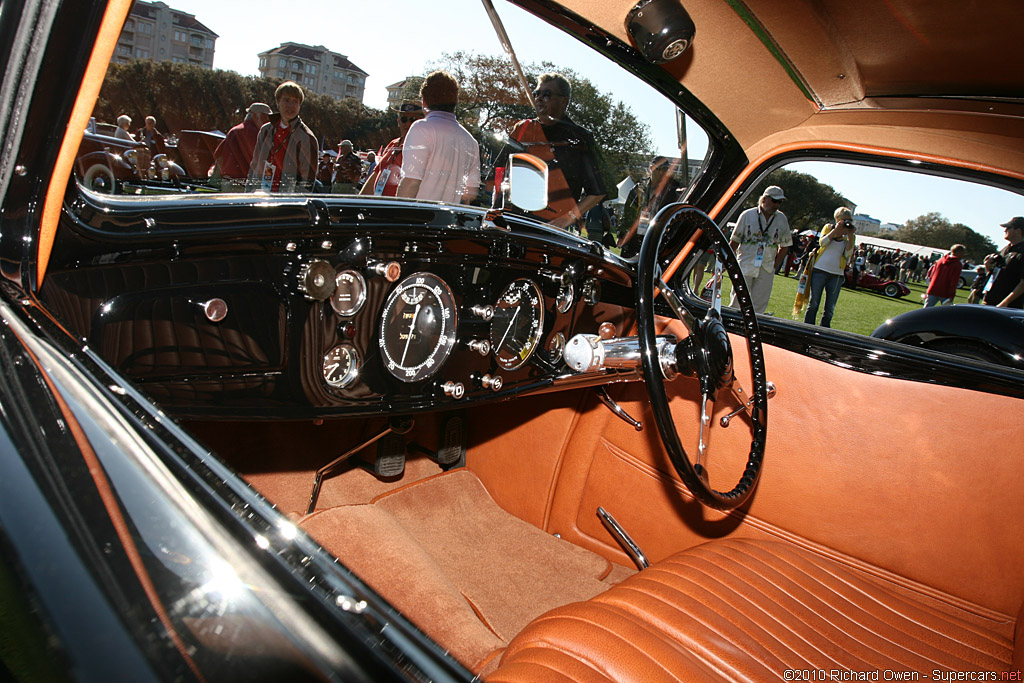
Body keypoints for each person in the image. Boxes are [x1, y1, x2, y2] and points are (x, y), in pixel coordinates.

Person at [500, 72, 606, 231]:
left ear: (564, 100)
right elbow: (498, 172)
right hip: (511, 223)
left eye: (547, 94)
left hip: (549, 231)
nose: (539, 98)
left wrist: (565, 219)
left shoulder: (580, 138)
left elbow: (598, 191)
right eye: (537, 93)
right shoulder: (521, 129)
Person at [397, 70, 480, 204]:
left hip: (417, 218)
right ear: (455, 101)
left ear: (424, 100)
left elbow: (411, 182)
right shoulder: (470, 141)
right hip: (448, 220)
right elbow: (470, 193)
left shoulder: (421, 128)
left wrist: (396, 216)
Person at [728, 185, 792, 314]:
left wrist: (774, 266)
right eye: (774, 201)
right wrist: (725, 264)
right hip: (745, 264)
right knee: (737, 302)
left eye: (780, 202)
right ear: (764, 199)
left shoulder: (781, 218)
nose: (777, 205)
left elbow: (785, 246)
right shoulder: (747, 215)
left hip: (766, 268)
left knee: (759, 307)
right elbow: (734, 241)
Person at [247, 81, 318, 193]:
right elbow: (254, 165)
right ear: (278, 102)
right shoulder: (266, 130)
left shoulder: (306, 137)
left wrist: (293, 206)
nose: (290, 106)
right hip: (260, 197)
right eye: (286, 100)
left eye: (295, 101)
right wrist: (249, 194)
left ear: (299, 106)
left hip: (285, 202)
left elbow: (307, 181)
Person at [796, 206, 856, 327]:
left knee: (830, 308)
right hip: (820, 270)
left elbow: (848, 254)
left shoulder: (850, 236)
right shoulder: (829, 228)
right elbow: (822, 243)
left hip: (837, 275)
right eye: (844, 220)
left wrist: (849, 236)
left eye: (849, 220)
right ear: (837, 219)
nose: (846, 223)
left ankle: (824, 330)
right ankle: (808, 327)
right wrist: (835, 231)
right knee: (814, 303)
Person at [619, 156, 682, 257]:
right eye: (659, 169)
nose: (662, 173)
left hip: (657, 239)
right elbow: (628, 214)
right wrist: (621, 234)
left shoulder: (673, 191)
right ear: (652, 168)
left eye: (665, 169)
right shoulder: (639, 189)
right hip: (635, 238)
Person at [361, 101, 424, 196]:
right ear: (398, 121)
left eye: (413, 119)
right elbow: (376, 174)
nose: (407, 124)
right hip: (380, 203)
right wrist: (361, 200)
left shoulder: (421, 148)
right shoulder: (393, 144)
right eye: (404, 119)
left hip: (399, 206)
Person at [214, 102, 271, 191]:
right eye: (265, 117)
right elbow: (264, 162)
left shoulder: (233, 130)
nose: (268, 122)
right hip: (244, 186)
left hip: (227, 184)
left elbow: (218, 155)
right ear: (255, 116)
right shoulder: (257, 134)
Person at [982, 216, 1024, 308]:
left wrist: (1004, 303)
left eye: (1008, 227)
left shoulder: (1021, 252)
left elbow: (1022, 283)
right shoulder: (1005, 249)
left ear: (1018, 231)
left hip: (1007, 308)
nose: (1005, 230)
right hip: (989, 302)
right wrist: (988, 268)